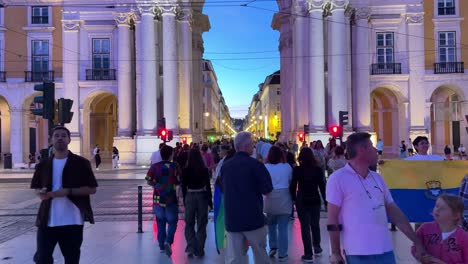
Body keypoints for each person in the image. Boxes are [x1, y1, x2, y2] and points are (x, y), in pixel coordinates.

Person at [326, 132, 425, 264]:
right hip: (358, 253)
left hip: (385, 251)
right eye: (372, 146)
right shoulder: (338, 178)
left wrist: (416, 240)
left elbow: (394, 211)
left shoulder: (377, 178)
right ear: (362, 150)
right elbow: (332, 218)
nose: (376, 150)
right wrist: (335, 253)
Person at [30, 126, 98, 264]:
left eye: (63, 136)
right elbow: (36, 187)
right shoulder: (43, 164)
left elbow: (92, 188)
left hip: (73, 220)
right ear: (51, 140)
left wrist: (68, 192)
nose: (60, 138)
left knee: (72, 259)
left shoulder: (81, 163)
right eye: (56, 136)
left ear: (69, 140)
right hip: (47, 220)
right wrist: (40, 193)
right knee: (42, 258)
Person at [219, 132, 273, 264]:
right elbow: (267, 190)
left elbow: (221, 188)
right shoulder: (256, 165)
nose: (254, 147)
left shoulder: (225, 166)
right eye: (252, 144)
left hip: (232, 219)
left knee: (236, 257)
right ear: (247, 145)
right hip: (253, 218)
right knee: (260, 254)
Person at [290, 147, 326, 263]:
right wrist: (325, 201)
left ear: (301, 158)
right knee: (315, 224)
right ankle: (317, 247)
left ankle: (308, 254)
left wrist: (293, 199)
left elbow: (293, 185)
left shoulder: (298, 170)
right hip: (315, 198)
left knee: (305, 227)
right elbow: (322, 186)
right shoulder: (318, 170)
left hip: (302, 199)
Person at [411, 194, 468, 263]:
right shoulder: (425, 228)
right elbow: (415, 247)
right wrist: (421, 257)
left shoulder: (464, 237)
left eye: (443, 208)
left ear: (455, 215)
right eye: (436, 206)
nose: (437, 209)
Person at [145, 145, 180, 257]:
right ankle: (168, 242)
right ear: (170, 155)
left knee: (160, 222)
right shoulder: (175, 167)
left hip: (158, 198)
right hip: (171, 198)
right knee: (173, 221)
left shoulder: (154, 167)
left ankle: (161, 245)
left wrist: (158, 185)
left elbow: (149, 181)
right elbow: (179, 181)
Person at [181, 148, 212, 258]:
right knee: (201, 224)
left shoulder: (185, 170)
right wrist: (210, 201)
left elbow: (183, 187)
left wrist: (185, 199)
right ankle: (199, 249)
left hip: (190, 195)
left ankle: (190, 246)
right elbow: (208, 186)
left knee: (189, 223)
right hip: (202, 196)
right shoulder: (204, 170)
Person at [263, 146, 292, 261]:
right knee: (283, 227)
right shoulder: (287, 167)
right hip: (284, 198)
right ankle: (283, 253)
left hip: (270, 198)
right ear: (281, 155)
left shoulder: (266, 167)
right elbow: (290, 180)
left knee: (271, 225)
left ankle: (273, 247)